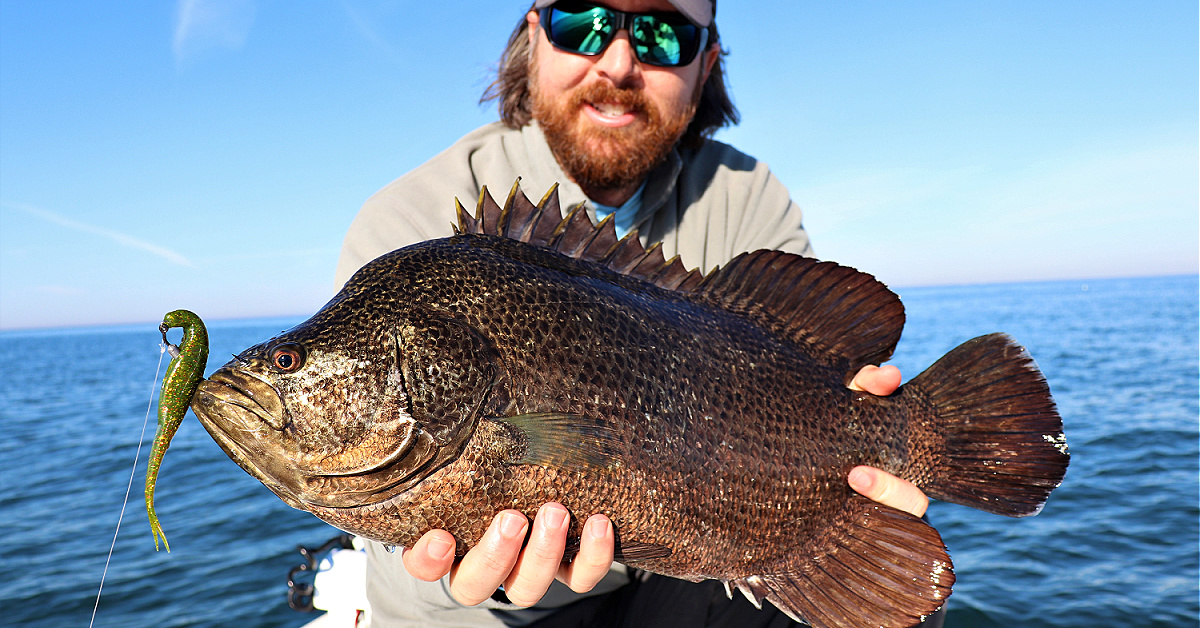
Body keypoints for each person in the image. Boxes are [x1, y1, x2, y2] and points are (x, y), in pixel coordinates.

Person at [335, 1, 937, 626]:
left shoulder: (747, 196)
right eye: (583, 23)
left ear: (706, 66)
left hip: (681, 576)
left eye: (662, 34)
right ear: (535, 38)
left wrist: (870, 446)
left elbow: (813, 374)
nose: (619, 63)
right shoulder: (412, 222)